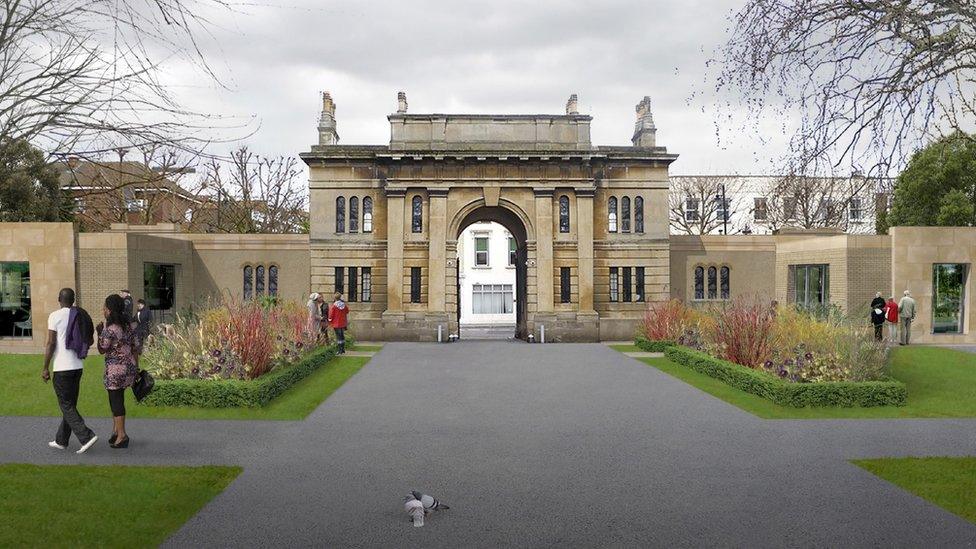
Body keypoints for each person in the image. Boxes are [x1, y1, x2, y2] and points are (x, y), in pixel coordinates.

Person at [42, 288, 99, 454]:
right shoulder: (80, 314)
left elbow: (51, 343)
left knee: (66, 405)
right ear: (73, 300)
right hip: (77, 366)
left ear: (59, 298)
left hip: (62, 368)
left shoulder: (54, 316)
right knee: (70, 405)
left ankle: (86, 436)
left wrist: (45, 367)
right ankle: (61, 440)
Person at [97, 294, 143, 449]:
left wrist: (99, 333)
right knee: (119, 399)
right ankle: (116, 432)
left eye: (105, 308)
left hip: (115, 370)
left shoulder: (110, 329)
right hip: (129, 368)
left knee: (115, 401)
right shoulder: (131, 327)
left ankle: (122, 435)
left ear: (109, 310)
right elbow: (137, 348)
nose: (103, 310)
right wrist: (136, 368)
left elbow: (102, 349)